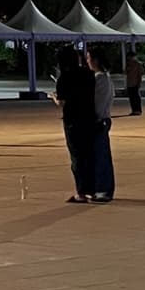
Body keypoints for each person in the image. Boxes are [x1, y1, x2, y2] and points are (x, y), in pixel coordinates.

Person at [52, 46, 97, 203]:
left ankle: (82, 191)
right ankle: (93, 189)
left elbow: (62, 102)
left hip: (73, 120)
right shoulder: (89, 75)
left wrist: (54, 98)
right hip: (90, 118)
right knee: (89, 154)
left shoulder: (64, 78)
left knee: (77, 157)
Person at [85, 44, 116, 201]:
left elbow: (95, 102)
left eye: (89, 58)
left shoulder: (100, 79)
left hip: (99, 121)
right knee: (100, 155)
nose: (87, 61)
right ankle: (100, 188)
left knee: (100, 156)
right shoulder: (105, 78)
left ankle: (103, 189)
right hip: (103, 120)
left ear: (95, 60)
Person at [124, 50, 144, 116]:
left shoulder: (138, 64)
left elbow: (140, 74)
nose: (129, 58)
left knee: (136, 97)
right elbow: (125, 72)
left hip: (135, 82)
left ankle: (138, 110)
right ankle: (134, 110)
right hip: (129, 83)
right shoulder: (128, 64)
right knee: (131, 97)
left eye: (130, 57)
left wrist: (139, 83)